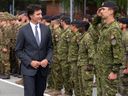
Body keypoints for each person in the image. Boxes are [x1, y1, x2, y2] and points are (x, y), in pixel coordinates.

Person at [15, 4, 53, 96]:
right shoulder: (23, 31)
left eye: (41, 14)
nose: (41, 16)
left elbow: (50, 48)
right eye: (38, 14)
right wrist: (30, 62)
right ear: (31, 16)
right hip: (29, 69)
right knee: (30, 93)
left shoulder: (46, 29)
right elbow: (18, 50)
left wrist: (47, 60)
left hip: (42, 69)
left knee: (40, 93)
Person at [94, 1, 124, 96]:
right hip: (101, 70)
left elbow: (118, 52)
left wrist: (114, 71)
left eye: (103, 9)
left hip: (108, 71)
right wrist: (97, 16)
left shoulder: (114, 29)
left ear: (111, 11)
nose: (101, 11)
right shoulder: (105, 27)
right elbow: (92, 27)